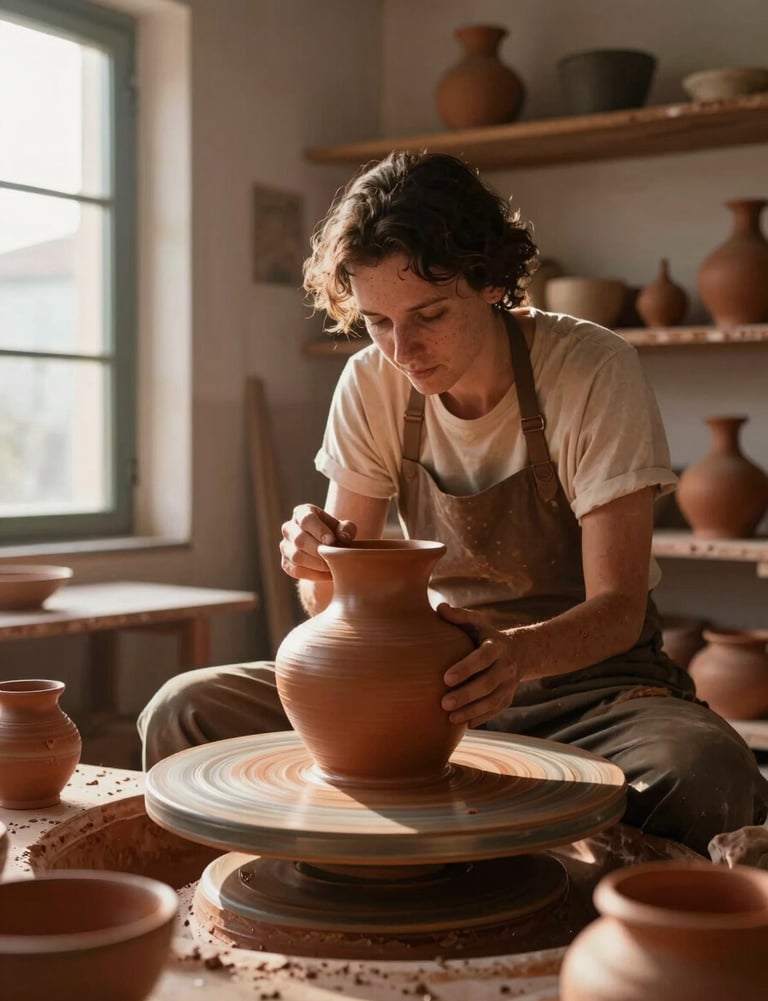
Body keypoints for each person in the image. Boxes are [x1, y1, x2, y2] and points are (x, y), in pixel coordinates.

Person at [138, 150, 768, 856]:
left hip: (587, 694)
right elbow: (331, 605)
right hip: (422, 686)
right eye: (377, 320)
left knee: (708, 772)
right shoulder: (371, 382)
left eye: (428, 314)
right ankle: (256, 904)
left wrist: (510, 656)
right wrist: (319, 563)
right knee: (182, 712)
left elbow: (619, 607)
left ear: (490, 280)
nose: (402, 348)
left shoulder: (589, 368)